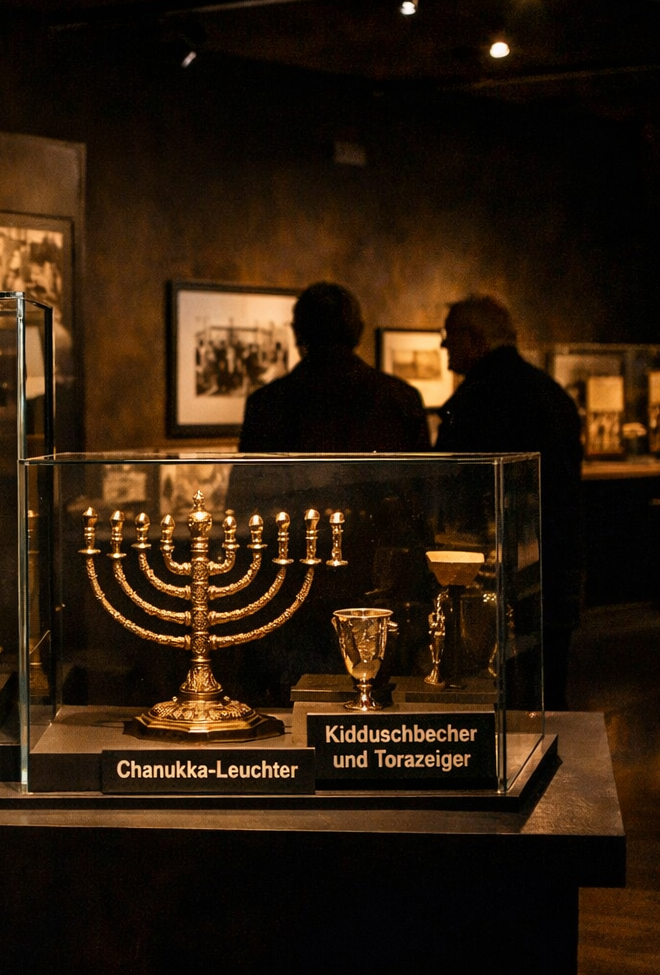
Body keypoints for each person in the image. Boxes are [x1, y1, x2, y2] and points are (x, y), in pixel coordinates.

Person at [435, 295, 583, 710]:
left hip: (491, 569)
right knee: (547, 686)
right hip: (551, 565)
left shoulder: (472, 403)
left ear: (473, 338)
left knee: (488, 688)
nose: (445, 350)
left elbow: (457, 495)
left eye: (449, 338)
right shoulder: (552, 395)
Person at [238, 282, 429, 452]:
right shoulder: (402, 398)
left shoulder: (266, 404)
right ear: (359, 331)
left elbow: (248, 488)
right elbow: (426, 486)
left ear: (297, 333)